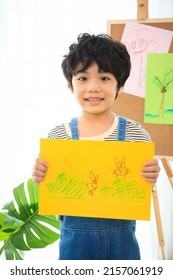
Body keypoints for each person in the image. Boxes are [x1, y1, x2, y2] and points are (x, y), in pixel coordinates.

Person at [32, 33, 160, 260]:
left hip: (122, 247)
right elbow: (48, 187)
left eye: (104, 78)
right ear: (70, 85)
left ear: (119, 85)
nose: (93, 87)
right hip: (75, 246)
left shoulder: (136, 134)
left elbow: (140, 189)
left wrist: (151, 174)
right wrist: (39, 175)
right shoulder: (58, 136)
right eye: (82, 78)